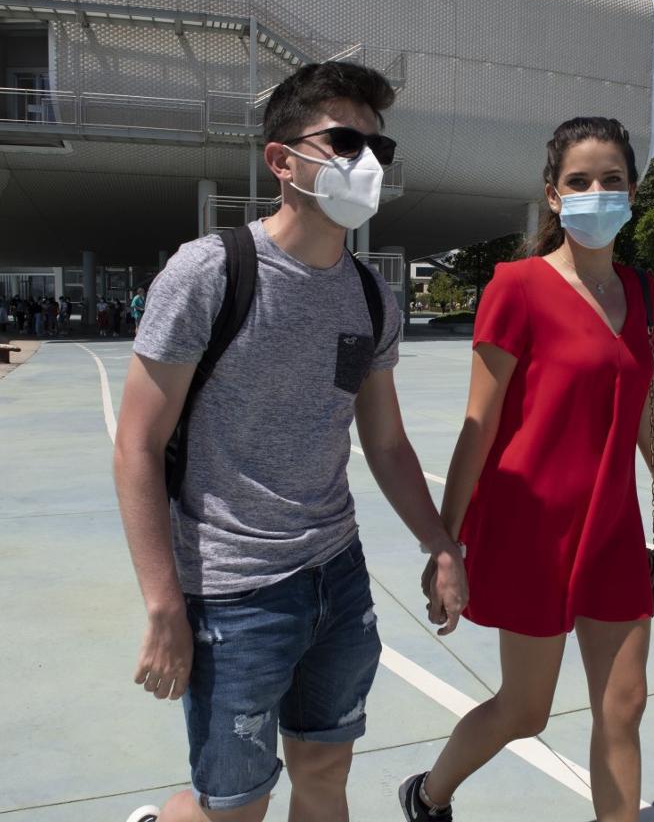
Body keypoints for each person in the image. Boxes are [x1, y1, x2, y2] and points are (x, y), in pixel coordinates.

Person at [116, 61, 466, 822]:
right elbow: (138, 444)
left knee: (324, 777)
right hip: (232, 592)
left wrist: (440, 542)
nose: (366, 163)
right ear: (281, 160)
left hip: (337, 579)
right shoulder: (211, 272)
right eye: (345, 141)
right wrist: (162, 605)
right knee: (234, 808)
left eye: (379, 148)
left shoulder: (373, 297)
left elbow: (388, 442)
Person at [398, 117, 654, 822]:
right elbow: (476, 428)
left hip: (612, 530)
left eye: (611, 180)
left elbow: (646, 416)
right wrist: (444, 544)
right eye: (580, 182)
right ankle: (427, 794)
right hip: (530, 530)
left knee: (623, 709)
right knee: (526, 711)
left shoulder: (641, 291)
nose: (595, 193)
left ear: (633, 192)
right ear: (553, 195)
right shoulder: (516, 286)